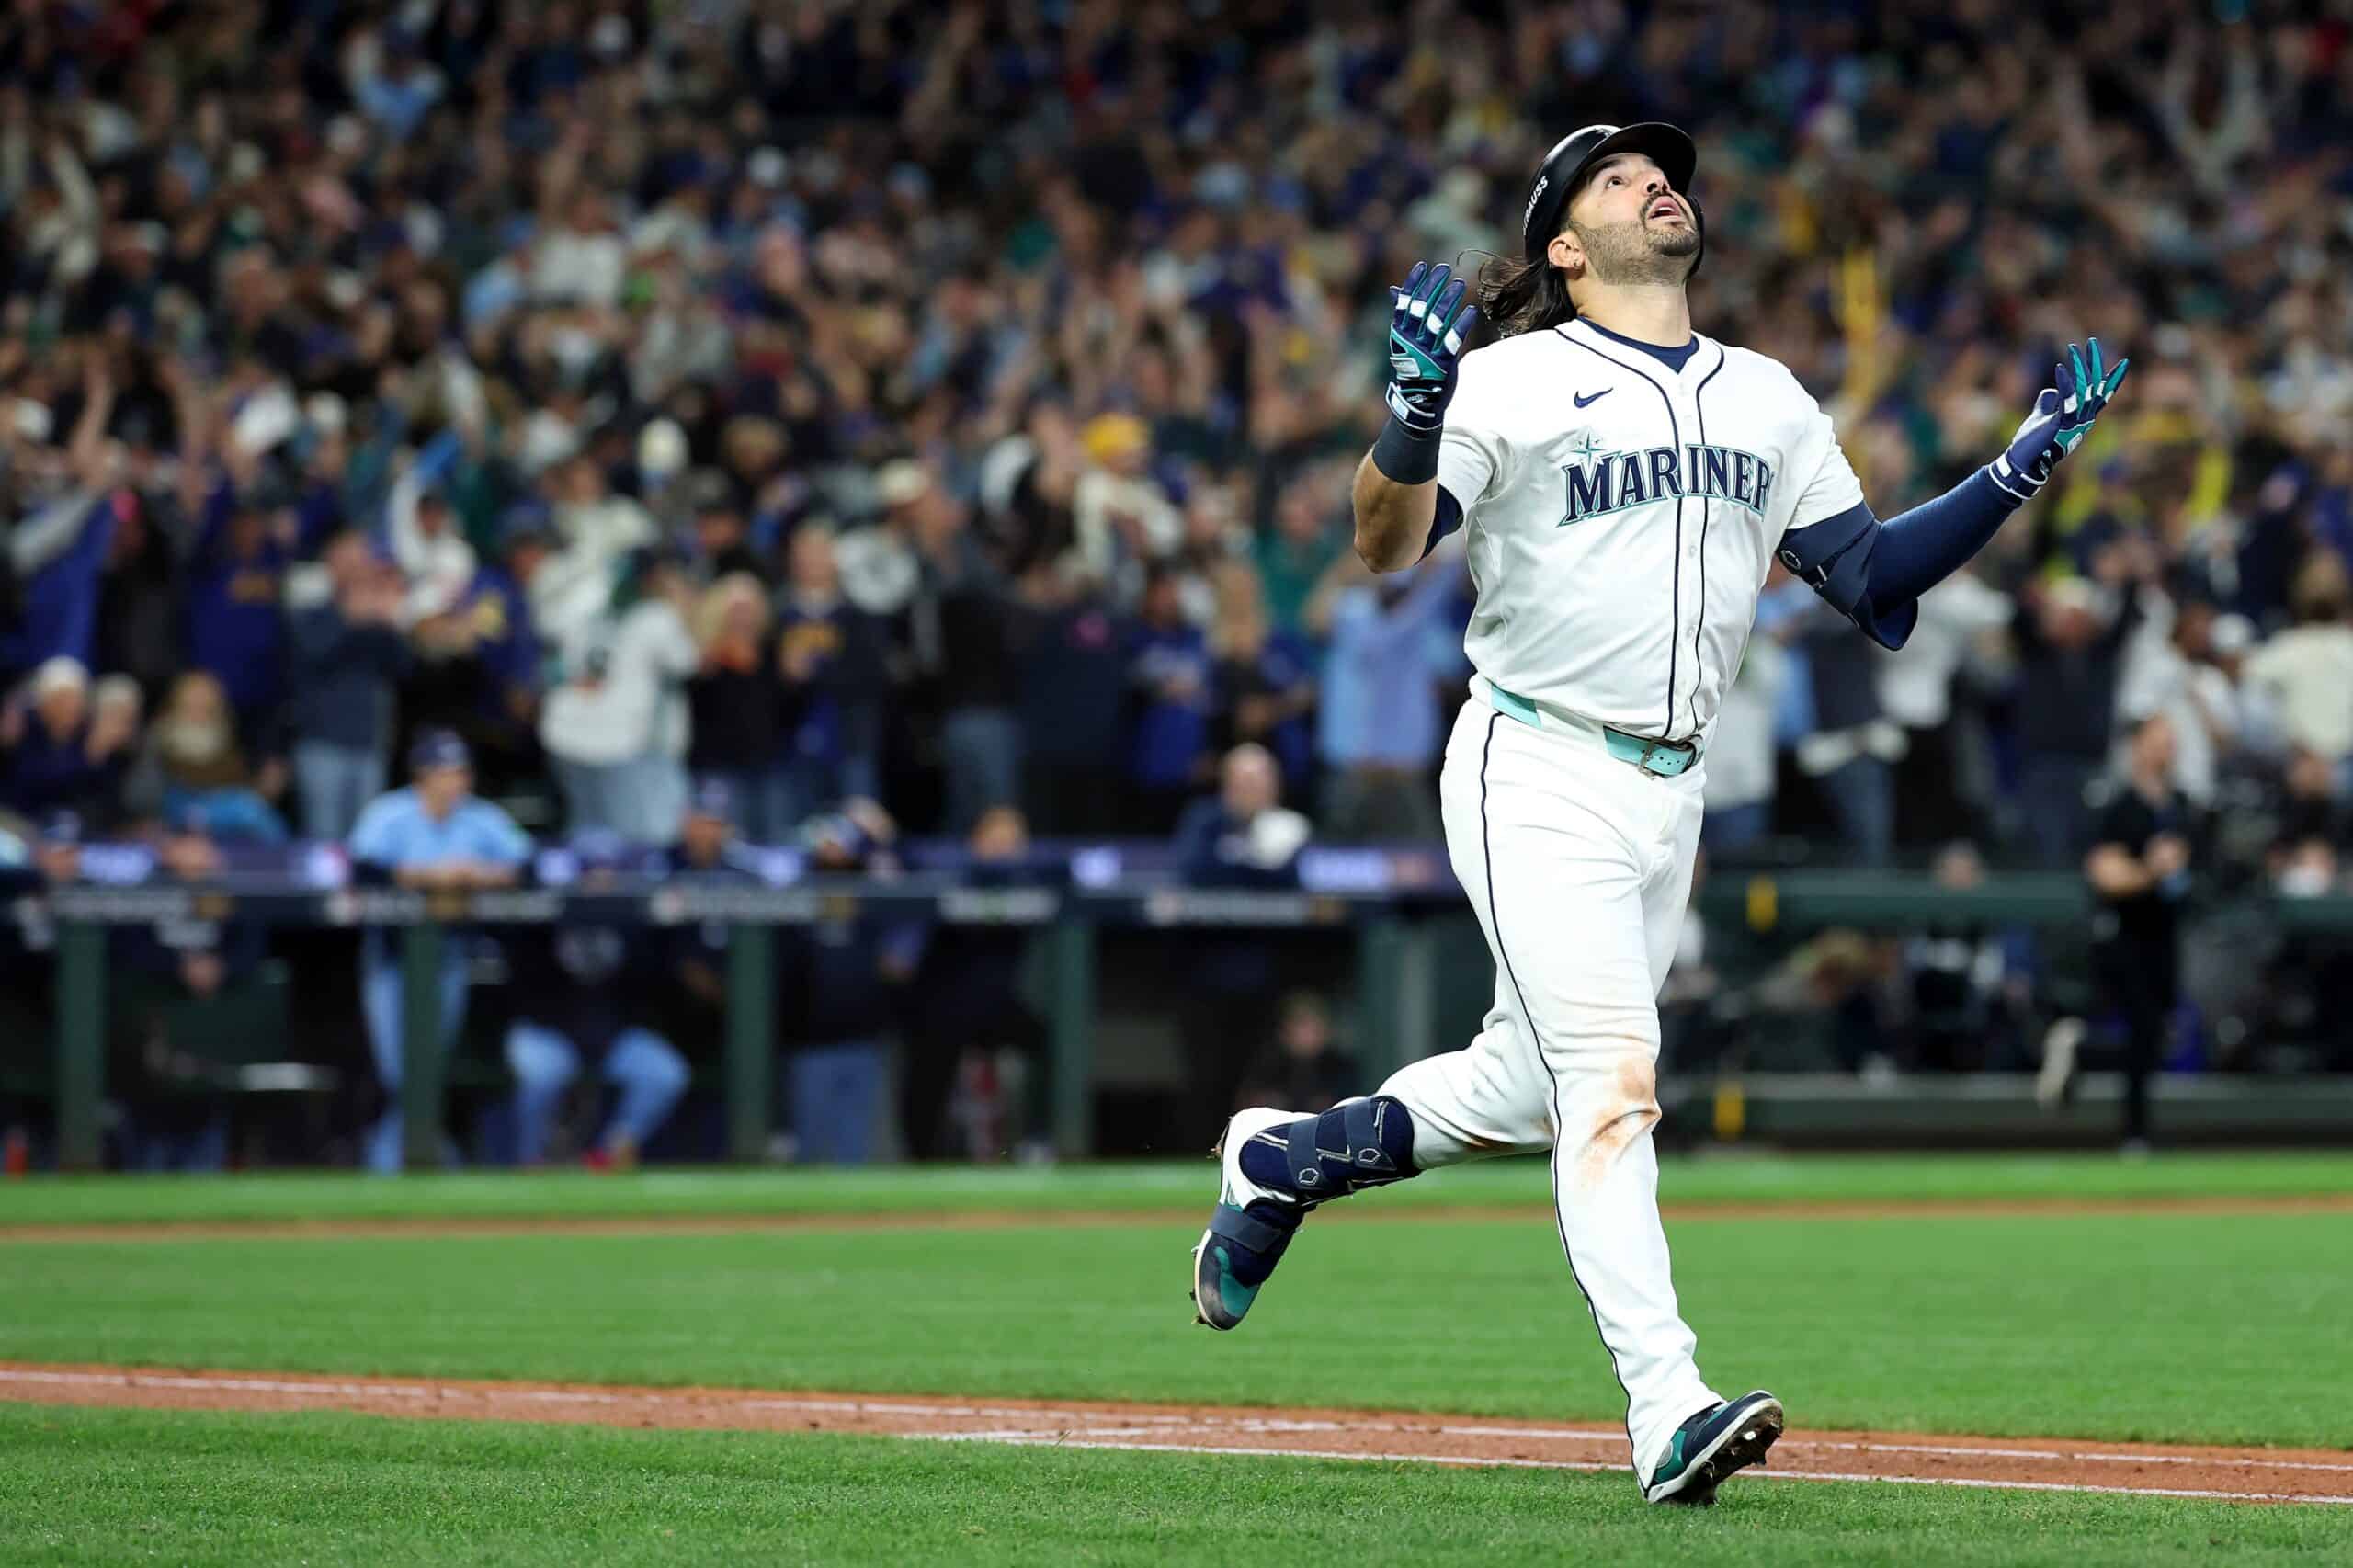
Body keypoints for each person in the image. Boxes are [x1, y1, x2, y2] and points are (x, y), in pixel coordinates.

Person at [1188, 122, 2129, 1507]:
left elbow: (1870, 579)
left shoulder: (1766, 395)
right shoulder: (1511, 377)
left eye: (1659, 167)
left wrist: (2012, 472)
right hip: (1537, 759)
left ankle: (1280, 1157)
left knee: (1529, 1084)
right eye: (1617, 175)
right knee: (1615, 1080)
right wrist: (1413, 412)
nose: (1654, 179)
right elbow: (1383, 542)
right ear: (1566, 246)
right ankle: (1666, 1403)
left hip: (1670, 786)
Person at [347, 731, 532, 1173]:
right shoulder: (389, 813)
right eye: (444, 772)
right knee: (398, 1071)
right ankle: (416, 1156)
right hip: (390, 959)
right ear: (422, 775)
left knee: (427, 1068)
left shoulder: (481, 818)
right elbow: (361, 870)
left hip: (449, 956)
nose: (455, 782)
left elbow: (530, 865)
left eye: (461, 772)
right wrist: (429, 876)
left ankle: (398, 1161)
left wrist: (479, 875)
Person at [500, 835, 690, 1170]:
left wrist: (665, 919)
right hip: (547, 1032)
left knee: (665, 1074)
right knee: (542, 1077)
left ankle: (610, 1151)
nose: (600, 880)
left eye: (608, 872)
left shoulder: (631, 917)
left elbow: (659, 968)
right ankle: (531, 1159)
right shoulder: (546, 912)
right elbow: (514, 946)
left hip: (612, 1037)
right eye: (591, 872)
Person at [2075, 713, 2195, 1153]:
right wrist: (2152, 869)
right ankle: (2134, 1133)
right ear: (2136, 746)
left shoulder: (2182, 805)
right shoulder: (2118, 805)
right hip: (2125, 933)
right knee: (2140, 1030)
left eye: (2170, 741)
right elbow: (2105, 874)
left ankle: (2077, 1052)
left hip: (2167, 933)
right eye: (2157, 740)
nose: (2166, 749)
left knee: (2157, 1035)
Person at [286, 530, 411, 840]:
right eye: (348, 560)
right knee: (325, 838)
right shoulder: (311, 610)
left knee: (366, 839)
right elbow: (314, 653)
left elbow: (402, 667)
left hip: (369, 741)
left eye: (361, 559)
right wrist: (349, 618)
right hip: (322, 742)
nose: (357, 568)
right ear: (331, 564)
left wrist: (389, 624)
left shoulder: (376, 618)